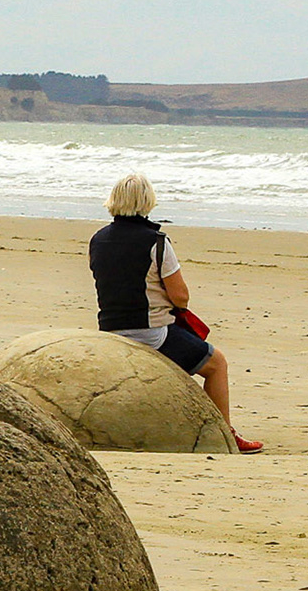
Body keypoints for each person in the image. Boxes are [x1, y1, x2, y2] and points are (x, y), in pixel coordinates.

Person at [89, 173, 261, 453]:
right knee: (216, 364)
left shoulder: (98, 240)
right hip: (151, 333)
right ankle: (227, 435)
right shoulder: (156, 242)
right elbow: (181, 296)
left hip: (110, 330)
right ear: (147, 202)